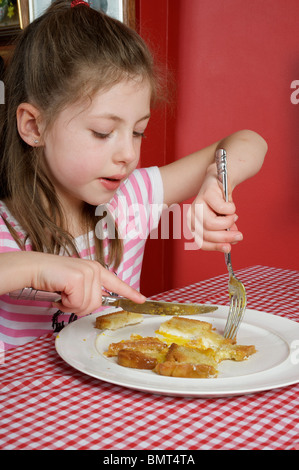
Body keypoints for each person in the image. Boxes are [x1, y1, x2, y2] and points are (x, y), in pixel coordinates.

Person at [0, 0, 267, 350]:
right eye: (102, 132)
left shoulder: (132, 197)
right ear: (34, 126)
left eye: (138, 132)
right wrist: (34, 269)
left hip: (120, 401)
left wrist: (217, 181)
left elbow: (251, 141)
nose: (127, 154)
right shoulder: (6, 225)